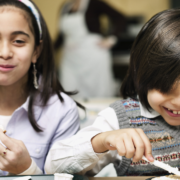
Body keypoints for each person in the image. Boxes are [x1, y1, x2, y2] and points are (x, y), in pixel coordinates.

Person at [45, 8, 180, 176]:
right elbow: (52, 167)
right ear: (142, 75)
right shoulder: (122, 119)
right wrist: (102, 141)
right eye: (165, 88)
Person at [0, 0, 83, 176]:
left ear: (36, 51)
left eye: (18, 41)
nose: (5, 52)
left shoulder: (62, 111)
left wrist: (26, 169)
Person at [54, 0, 127, 98]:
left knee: (98, 94)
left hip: (93, 57)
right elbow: (61, 36)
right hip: (70, 60)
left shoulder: (94, 3)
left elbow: (120, 18)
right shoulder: (65, 7)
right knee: (69, 91)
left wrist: (111, 39)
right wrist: (48, 50)